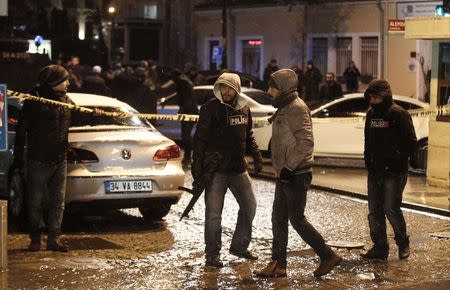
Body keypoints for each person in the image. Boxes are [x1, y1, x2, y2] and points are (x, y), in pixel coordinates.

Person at [255, 69, 341, 278]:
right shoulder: (284, 107)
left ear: (283, 89)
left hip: (295, 173)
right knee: (278, 218)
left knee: (296, 219)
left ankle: (328, 255)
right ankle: (279, 264)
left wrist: (289, 168)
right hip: (284, 173)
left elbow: (305, 143)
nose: (268, 91)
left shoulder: (297, 109)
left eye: (272, 88)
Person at [192, 72, 263, 268]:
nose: (226, 91)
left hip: (239, 168)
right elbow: (200, 141)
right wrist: (197, 170)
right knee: (214, 215)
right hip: (216, 172)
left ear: (237, 89)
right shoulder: (210, 109)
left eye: (230, 87)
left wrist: (256, 157)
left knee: (250, 206)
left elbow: (248, 136)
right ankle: (212, 255)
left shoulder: (244, 109)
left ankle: (239, 246)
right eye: (222, 87)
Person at [13, 65, 73, 252]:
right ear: (54, 82)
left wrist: (97, 113)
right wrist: (18, 159)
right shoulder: (34, 101)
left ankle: (54, 240)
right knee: (35, 202)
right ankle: (35, 239)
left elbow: (77, 118)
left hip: (60, 159)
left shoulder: (66, 101)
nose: (68, 83)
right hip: (38, 159)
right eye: (64, 80)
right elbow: (21, 130)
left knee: (58, 202)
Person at [361, 79, 417, 260]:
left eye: (376, 97)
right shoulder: (371, 115)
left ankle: (403, 243)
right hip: (375, 171)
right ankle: (380, 247)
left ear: (385, 95)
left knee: (391, 209)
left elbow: (410, 143)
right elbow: (367, 141)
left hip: (394, 172)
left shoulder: (399, 114)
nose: (372, 100)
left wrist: (396, 160)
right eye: (371, 97)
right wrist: (368, 160)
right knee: (374, 211)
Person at [172, 69, 198, 167]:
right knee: (186, 136)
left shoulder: (181, 82)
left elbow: (185, 98)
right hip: (191, 110)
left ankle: (188, 158)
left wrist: (182, 108)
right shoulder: (186, 81)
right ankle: (188, 157)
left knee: (185, 136)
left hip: (188, 111)